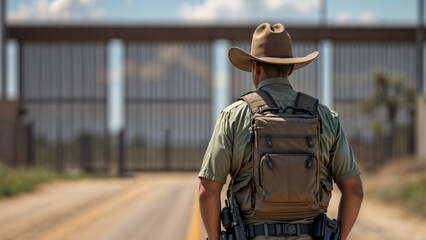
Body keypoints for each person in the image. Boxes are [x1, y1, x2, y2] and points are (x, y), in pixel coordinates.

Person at [198, 23, 363, 240]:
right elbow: (354, 190)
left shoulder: (233, 116)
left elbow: (208, 192)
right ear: (291, 69)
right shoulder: (324, 116)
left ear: (255, 66)